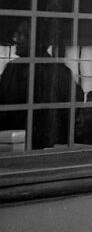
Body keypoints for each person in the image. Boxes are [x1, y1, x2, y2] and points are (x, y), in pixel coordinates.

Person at [0, 18, 83, 149]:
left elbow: (73, 115)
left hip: (49, 148)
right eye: (17, 34)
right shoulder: (11, 70)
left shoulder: (61, 74)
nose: (17, 40)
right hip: (13, 145)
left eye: (25, 35)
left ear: (40, 40)